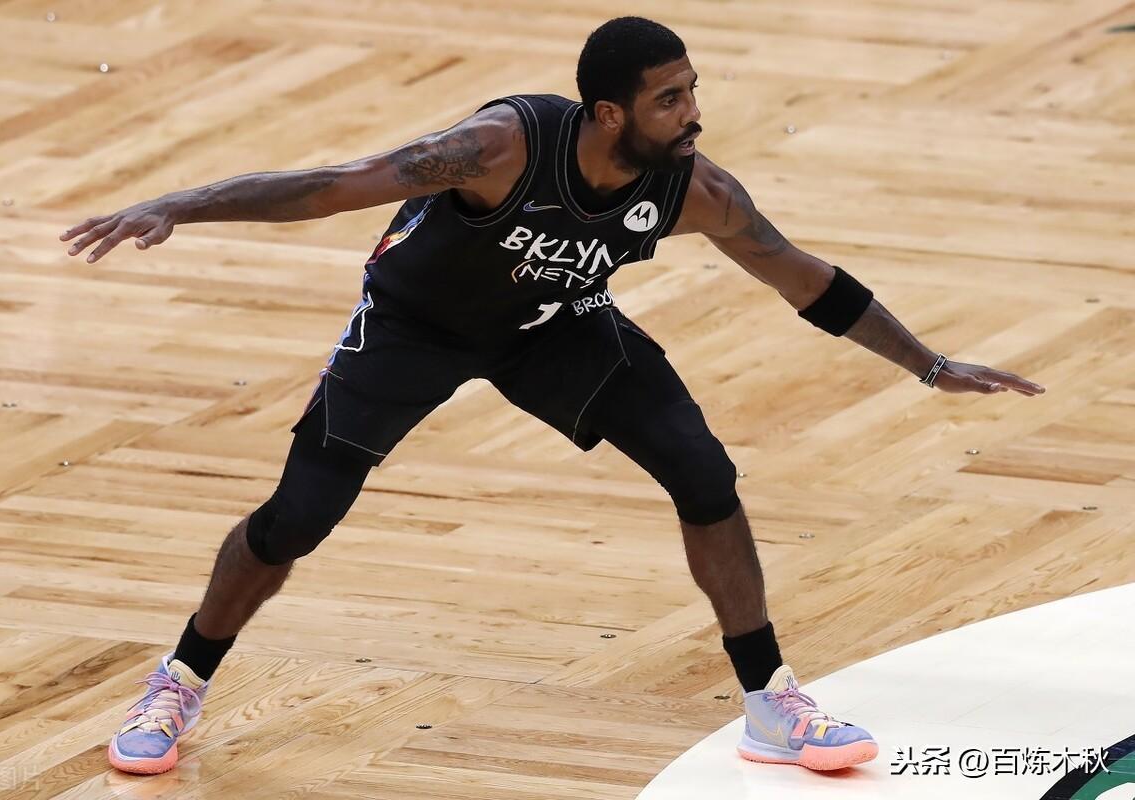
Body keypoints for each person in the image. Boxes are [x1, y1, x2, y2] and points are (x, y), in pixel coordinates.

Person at [60, 16, 1045, 777]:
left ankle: (770, 702)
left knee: (703, 472)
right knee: (296, 519)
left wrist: (927, 364)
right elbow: (331, 186)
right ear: (609, 113)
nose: (691, 114)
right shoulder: (501, 147)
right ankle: (178, 682)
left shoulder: (694, 188)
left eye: (692, 92)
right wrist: (177, 203)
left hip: (555, 325)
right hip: (414, 327)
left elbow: (799, 276)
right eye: (670, 99)